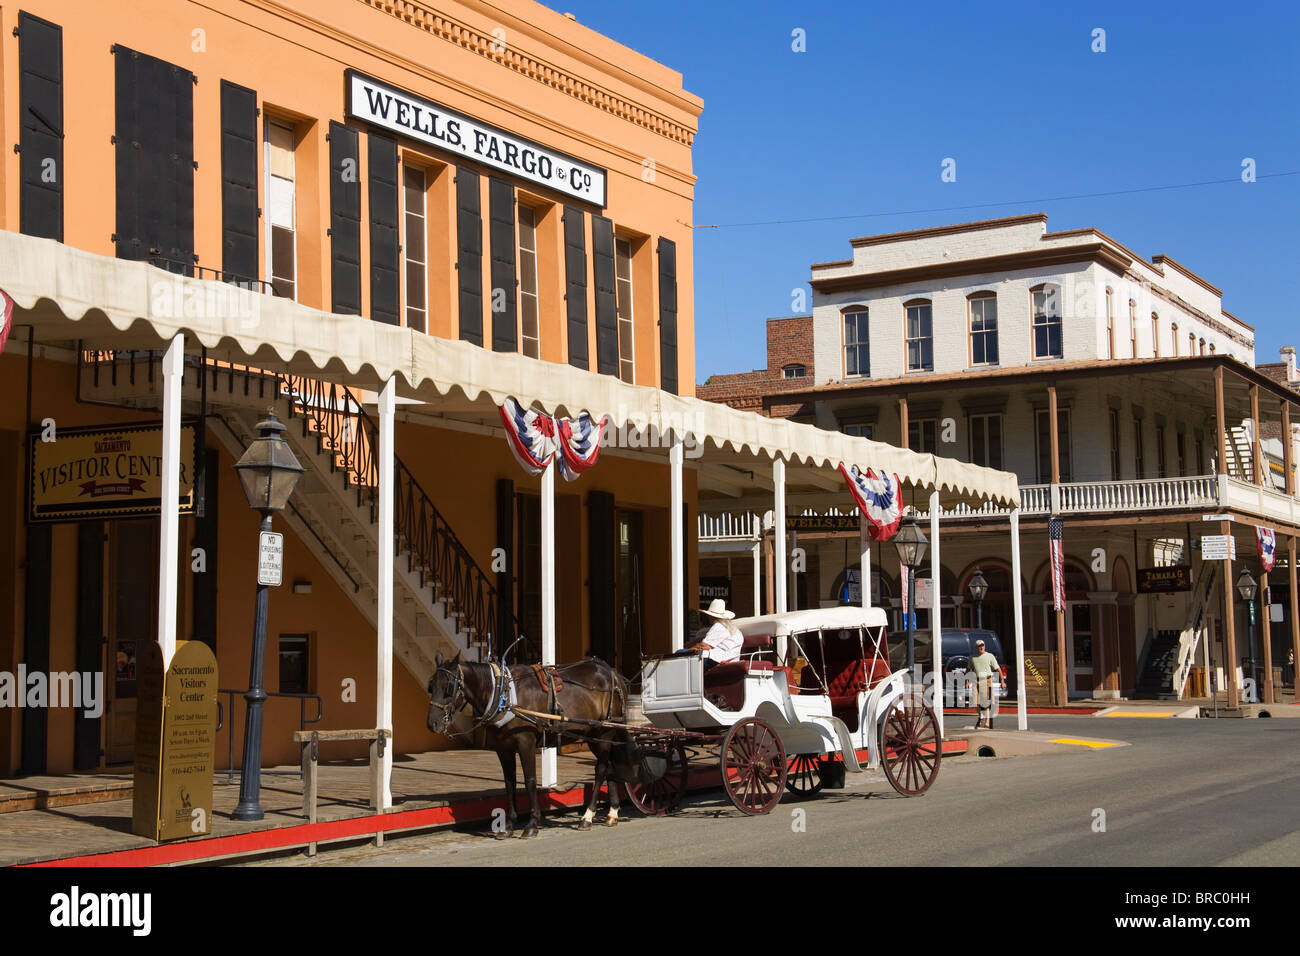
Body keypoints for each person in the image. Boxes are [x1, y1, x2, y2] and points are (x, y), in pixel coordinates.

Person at [680, 598, 743, 672]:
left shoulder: (719, 626)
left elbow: (704, 646)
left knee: (679, 653)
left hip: (717, 659)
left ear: (711, 616)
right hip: (731, 659)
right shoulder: (734, 629)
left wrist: (689, 651)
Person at [968, 639, 1001, 729]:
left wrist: (1002, 681)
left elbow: (998, 668)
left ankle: (987, 722)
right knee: (975, 702)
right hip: (976, 680)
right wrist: (966, 681)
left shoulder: (990, 656)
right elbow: (968, 669)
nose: (981, 647)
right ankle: (981, 716)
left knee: (986, 703)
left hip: (986, 680)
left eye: (982, 645)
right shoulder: (972, 657)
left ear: (984, 646)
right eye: (979, 646)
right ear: (976, 647)